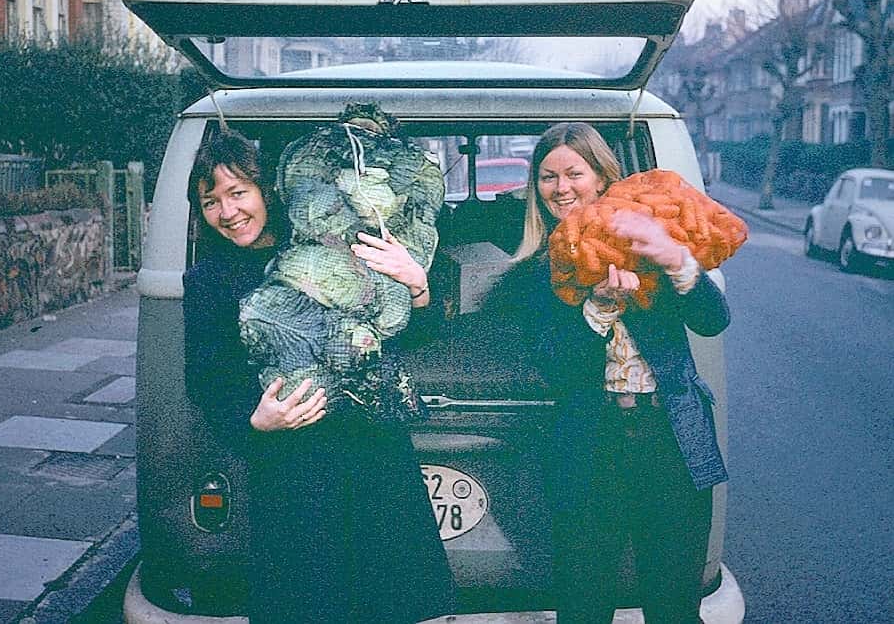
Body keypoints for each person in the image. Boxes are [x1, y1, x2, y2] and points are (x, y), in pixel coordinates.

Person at [182, 127, 455, 624]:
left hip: (372, 450)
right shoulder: (207, 282)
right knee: (308, 601)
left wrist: (416, 281)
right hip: (294, 467)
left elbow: (414, 335)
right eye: (210, 202)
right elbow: (205, 379)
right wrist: (254, 420)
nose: (228, 212)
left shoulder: (332, 240)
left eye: (238, 192)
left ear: (267, 191)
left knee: (387, 602)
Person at [487, 122, 730, 624]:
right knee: (584, 596)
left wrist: (677, 261)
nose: (562, 188)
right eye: (548, 177)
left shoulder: (649, 240)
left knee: (675, 598)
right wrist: (596, 309)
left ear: (601, 178)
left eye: (574, 173)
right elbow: (555, 367)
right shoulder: (534, 272)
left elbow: (712, 320)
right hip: (591, 442)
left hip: (673, 436)